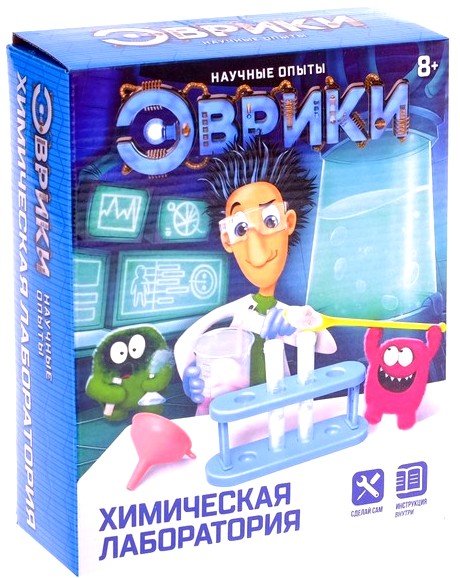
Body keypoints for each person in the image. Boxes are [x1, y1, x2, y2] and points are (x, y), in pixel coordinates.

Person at [174, 138, 336, 409]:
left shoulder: (285, 315)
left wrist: (304, 319)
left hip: (281, 410)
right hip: (234, 409)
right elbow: (186, 343)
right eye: (240, 229)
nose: (257, 248)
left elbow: (327, 345)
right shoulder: (238, 311)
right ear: (227, 239)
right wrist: (190, 376)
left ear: (289, 222)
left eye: (270, 221)